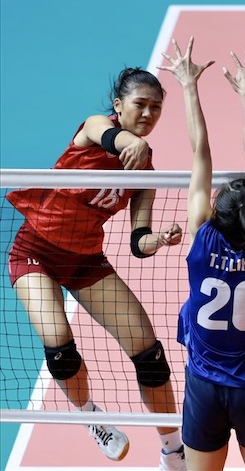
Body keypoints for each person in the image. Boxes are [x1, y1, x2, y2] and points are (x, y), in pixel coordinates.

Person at [6, 67, 186, 470]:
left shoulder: (146, 175)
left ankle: (174, 449)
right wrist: (130, 142)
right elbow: (113, 138)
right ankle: (91, 416)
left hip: (86, 261)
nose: (148, 114)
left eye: (156, 108)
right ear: (119, 106)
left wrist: (158, 240)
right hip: (35, 251)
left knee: (149, 352)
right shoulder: (93, 128)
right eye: (140, 105)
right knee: (60, 347)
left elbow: (138, 241)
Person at [159, 37, 245, 471]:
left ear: (215, 210)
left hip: (204, 388)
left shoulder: (200, 239)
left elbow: (200, 154)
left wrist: (188, 87)